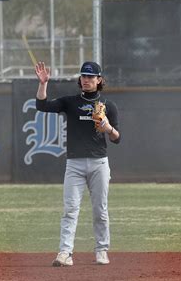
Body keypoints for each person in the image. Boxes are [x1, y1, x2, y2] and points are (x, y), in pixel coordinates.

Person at [34, 61, 121, 266]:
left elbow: (117, 138)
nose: (86, 80)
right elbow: (42, 105)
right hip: (74, 163)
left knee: (100, 209)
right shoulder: (70, 102)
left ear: (99, 80)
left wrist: (108, 127)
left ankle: (101, 250)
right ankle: (65, 253)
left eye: (90, 77)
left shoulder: (108, 104)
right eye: (83, 76)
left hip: (99, 162)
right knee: (70, 209)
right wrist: (43, 84)